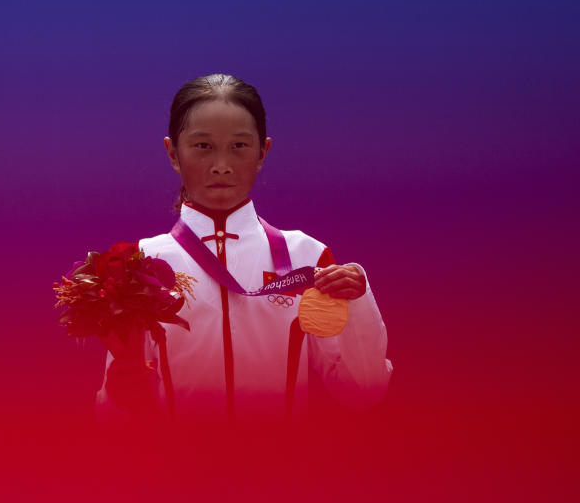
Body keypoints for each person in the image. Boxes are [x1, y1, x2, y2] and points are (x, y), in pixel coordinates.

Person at [96, 74, 392, 420]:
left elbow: (362, 393)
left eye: (239, 146)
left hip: (279, 469)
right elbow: (112, 419)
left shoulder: (309, 258)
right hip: (175, 470)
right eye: (203, 146)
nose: (222, 166)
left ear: (262, 152)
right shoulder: (140, 265)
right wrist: (128, 367)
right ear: (173, 153)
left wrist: (358, 298)